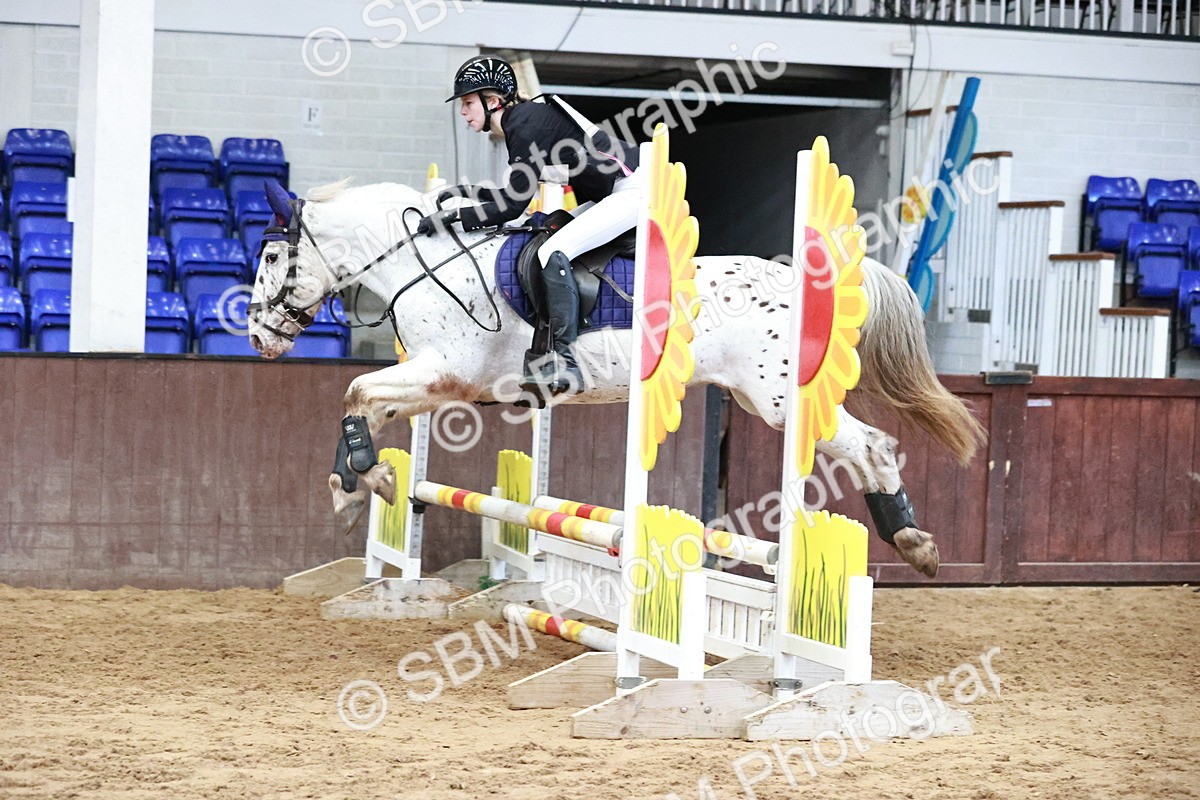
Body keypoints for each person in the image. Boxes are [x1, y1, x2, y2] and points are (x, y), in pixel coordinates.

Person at [417, 55, 644, 394]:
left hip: (633, 191)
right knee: (545, 238)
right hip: (612, 192)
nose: (463, 112)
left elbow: (510, 207)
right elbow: (516, 192)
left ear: (492, 101)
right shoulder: (523, 121)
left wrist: (455, 218)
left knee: (553, 251)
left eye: (467, 103)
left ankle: (566, 362)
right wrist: (466, 193)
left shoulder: (523, 125)